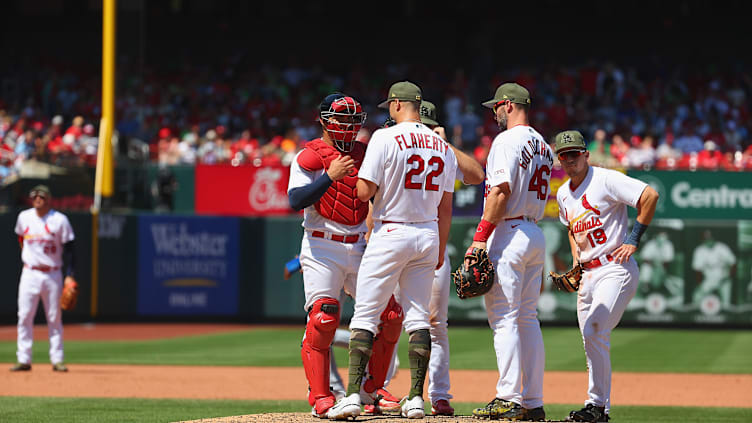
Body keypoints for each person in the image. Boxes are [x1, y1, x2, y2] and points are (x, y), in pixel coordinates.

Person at [326, 81, 457, 420]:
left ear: (398, 104)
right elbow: (446, 207)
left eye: (389, 105)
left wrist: (356, 181)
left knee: (366, 315)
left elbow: (364, 191)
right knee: (418, 318)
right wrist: (440, 248)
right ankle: (416, 399)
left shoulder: (383, 138)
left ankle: (354, 395)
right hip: (427, 232)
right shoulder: (441, 145)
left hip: (392, 230)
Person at [287, 93, 404, 418]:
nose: (348, 126)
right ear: (324, 121)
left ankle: (372, 388)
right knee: (324, 317)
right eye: (342, 119)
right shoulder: (310, 156)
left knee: (391, 316)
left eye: (354, 120)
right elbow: (295, 200)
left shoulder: (366, 153)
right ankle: (321, 396)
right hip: (321, 243)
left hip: (359, 243)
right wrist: (329, 176)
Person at [367, 100, 484, 417]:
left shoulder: (435, 147)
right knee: (389, 319)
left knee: (432, 324)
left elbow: (476, 174)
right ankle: (379, 387)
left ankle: (439, 394)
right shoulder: (392, 141)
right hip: (411, 239)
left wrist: (444, 144)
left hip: (422, 241)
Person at [554, 130, 659, 422]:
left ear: (586, 154)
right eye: (565, 155)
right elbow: (571, 229)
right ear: (560, 160)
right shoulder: (563, 193)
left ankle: (598, 406)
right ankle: (598, 408)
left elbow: (649, 195)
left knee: (595, 331)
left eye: (575, 153)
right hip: (588, 274)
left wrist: (634, 238)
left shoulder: (605, 179)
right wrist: (576, 263)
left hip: (615, 267)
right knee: (591, 342)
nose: (570, 159)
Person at [466, 82, 553, 421]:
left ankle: (508, 397)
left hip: (510, 230)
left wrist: (479, 239)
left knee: (504, 319)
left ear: (509, 105)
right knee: (528, 319)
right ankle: (533, 402)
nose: (494, 114)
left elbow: (500, 192)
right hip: (534, 231)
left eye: (496, 107)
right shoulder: (543, 144)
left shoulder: (506, 140)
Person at [12, 185, 77, 372]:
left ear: (49, 199)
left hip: (52, 273)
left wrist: (70, 275)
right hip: (30, 272)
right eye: (35, 197)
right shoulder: (24, 217)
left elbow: (71, 250)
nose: (38, 199)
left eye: (41, 196)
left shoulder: (59, 220)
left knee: (54, 318)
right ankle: (24, 359)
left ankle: (57, 360)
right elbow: (21, 240)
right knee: (24, 316)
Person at [691, 230, 736, 309]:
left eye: (710, 238)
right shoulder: (699, 250)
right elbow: (697, 270)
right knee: (696, 298)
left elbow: (733, 263)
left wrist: (729, 277)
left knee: (726, 305)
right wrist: (699, 284)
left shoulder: (722, 247)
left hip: (724, 279)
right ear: (702, 240)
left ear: (714, 238)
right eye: (706, 239)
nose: (708, 241)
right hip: (709, 279)